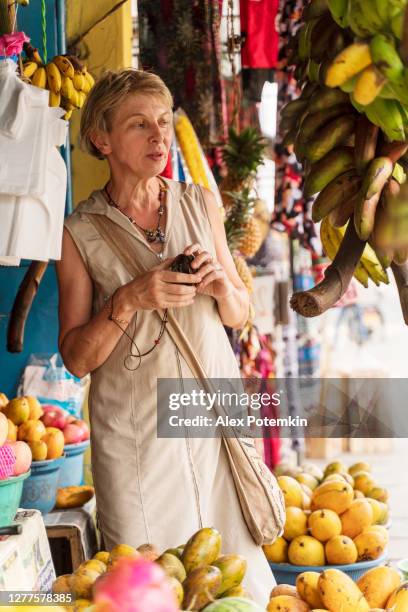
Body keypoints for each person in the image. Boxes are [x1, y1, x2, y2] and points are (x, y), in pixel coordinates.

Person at [56, 69, 274, 604]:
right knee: (145, 589)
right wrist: (130, 299)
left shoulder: (201, 204)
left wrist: (224, 287)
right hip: (137, 441)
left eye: (162, 122)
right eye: (139, 125)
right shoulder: (78, 233)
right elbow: (77, 358)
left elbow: (241, 314)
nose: (159, 137)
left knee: (234, 587)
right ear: (101, 139)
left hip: (213, 427)